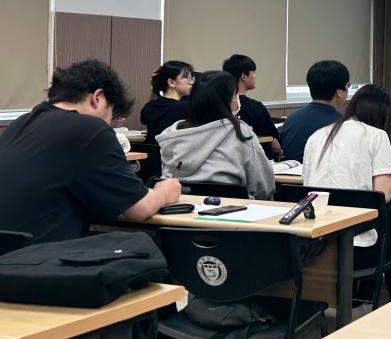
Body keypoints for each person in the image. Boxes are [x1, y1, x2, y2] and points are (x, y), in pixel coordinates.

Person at [0, 59, 181, 243]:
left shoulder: (21, 123)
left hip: (12, 251)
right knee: (142, 247)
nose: (109, 124)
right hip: (39, 256)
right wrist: (164, 192)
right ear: (98, 97)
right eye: (111, 115)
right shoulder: (90, 128)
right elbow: (141, 208)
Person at [302, 84, 391, 300]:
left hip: (315, 244)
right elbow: (383, 195)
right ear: (383, 115)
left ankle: (363, 295)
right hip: (356, 247)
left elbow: (307, 185)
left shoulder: (317, 136)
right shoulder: (377, 136)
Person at [156, 70, 275, 199]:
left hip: (181, 206)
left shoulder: (172, 133)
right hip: (233, 208)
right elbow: (264, 187)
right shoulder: (239, 131)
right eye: (235, 95)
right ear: (227, 100)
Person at [281, 60, 349, 162]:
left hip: (293, 171)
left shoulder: (290, 120)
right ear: (339, 92)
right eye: (348, 85)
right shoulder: (342, 125)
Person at [222, 54, 283, 158]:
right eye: (253, 72)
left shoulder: (219, 105)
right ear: (244, 76)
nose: (255, 76)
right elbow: (276, 144)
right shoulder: (255, 107)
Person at [140, 60, 194, 142]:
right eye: (187, 77)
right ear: (171, 82)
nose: (191, 82)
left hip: (153, 150)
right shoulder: (185, 107)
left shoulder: (149, 106)